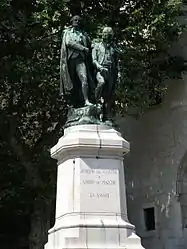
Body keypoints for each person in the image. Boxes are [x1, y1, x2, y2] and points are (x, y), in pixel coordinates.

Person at [60, 15, 93, 107]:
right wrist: (83, 48)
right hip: (70, 60)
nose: (77, 21)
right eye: (75, 20)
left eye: (79, 20)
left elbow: (90, 45)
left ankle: (86, 100)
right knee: (71, 82)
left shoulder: (83, 34)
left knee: (84, 78)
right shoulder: (67, 32)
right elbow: (68, 42)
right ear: (72, 21)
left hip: (80, 60)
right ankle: (73, 103)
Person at [92, 27, 119, 121]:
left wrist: (117, 73)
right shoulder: (97, 46)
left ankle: (105, 115)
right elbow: (94, 60)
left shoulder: (113, 48)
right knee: (101, 83)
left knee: (108, 94)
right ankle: (94, 101)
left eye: (108, 34)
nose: (105, 35)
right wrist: (99, 67)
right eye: (104, 33)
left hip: (111, 71)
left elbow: (116, 61)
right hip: (100, 70)